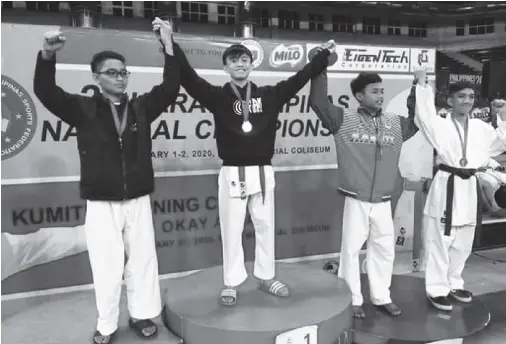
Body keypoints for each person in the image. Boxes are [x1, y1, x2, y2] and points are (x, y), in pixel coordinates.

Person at [33, 18, 180, 344]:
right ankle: (107, 324)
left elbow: (170, 88)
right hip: (101, 201)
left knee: (142, 262)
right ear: (97, 78)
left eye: (124, 72)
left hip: (138, 198)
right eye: (112, 72)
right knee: (106, 267)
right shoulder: (83, 108)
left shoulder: (141, 108)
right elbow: (45, 92)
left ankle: (142, 315)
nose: (120, 78)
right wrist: (46, 56)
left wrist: (169, 47)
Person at [172, 39, 335, 307]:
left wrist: (323, 56)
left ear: (251, 65)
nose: (240, 63)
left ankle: (267, 276)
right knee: (231, 228)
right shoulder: (217, 96)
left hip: (262, 170)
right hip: (232, 171)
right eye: (234, 60)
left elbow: (299, 78)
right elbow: (189, 79)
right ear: (225, 67)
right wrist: (171, 45)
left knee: (265, 226)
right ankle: (231, 282)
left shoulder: (269, 95)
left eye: (244, 59)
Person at [309, 69, 419, 318]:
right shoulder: (342, 119)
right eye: (374, 91)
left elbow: (418, 119)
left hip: (383, 201)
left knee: (384, 250)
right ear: (359, 95)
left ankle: (382, 297)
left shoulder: (395, 122)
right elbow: (317, 102)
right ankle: (353, 298)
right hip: (355, 198)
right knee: (350, 250)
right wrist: (320, 67)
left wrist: (417, 88)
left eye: (382, 91)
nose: (380, 95)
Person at [412, 68, 506, 311]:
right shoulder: (439, 125)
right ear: (450, 100)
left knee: (463, 238)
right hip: (447, 183)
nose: (467, 101)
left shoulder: (480, 128)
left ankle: (454, 283)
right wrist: (421, 86)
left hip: (469, 185)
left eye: (471, 97)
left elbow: (500, 142)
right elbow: (422, 115)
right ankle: (436, 288)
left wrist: (501, 114)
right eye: (461, 96)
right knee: (440, 238)